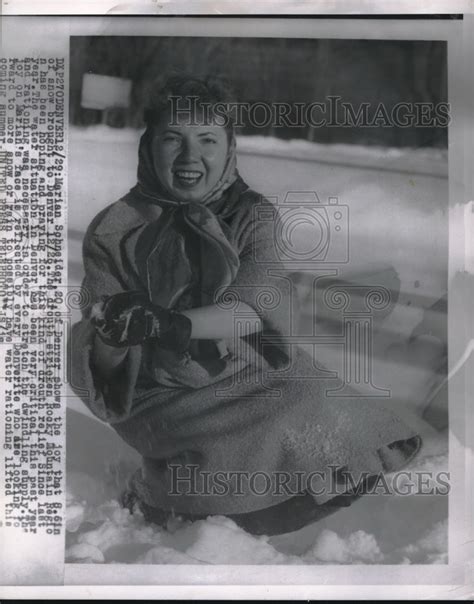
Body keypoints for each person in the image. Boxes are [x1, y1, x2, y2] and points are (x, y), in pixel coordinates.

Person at [70, 74, 422, 536]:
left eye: (207, 140)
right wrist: (115, 333)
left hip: (245, 366)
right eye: (172, 138)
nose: (190, 156)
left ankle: (256, 497)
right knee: (230, 470)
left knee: (315, 396)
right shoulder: (114, 227)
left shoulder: (253, 215)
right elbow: (101, 349)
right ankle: (181, 498)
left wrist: (169, 323)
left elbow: (249, 308)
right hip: (160, 392)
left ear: (230, 146)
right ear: (148, 145)